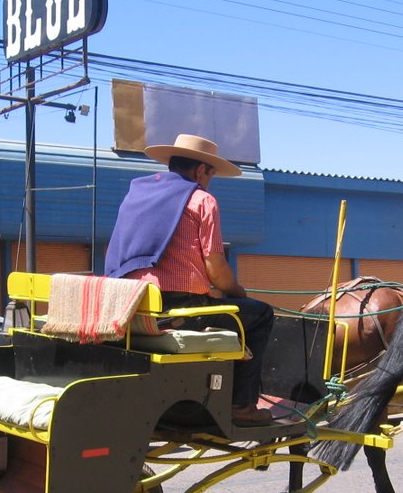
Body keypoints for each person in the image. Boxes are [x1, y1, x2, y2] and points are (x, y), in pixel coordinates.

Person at [104, 134, 275, 425]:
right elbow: (215, 268)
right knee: (261, 315)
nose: (210, 181)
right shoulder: (201, 200)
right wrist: (237, 291)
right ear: (200, 171)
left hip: (135, 304)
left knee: (220, 306)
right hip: (180, 310)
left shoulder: (138, 195)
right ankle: (241, 405)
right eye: (211, 174)